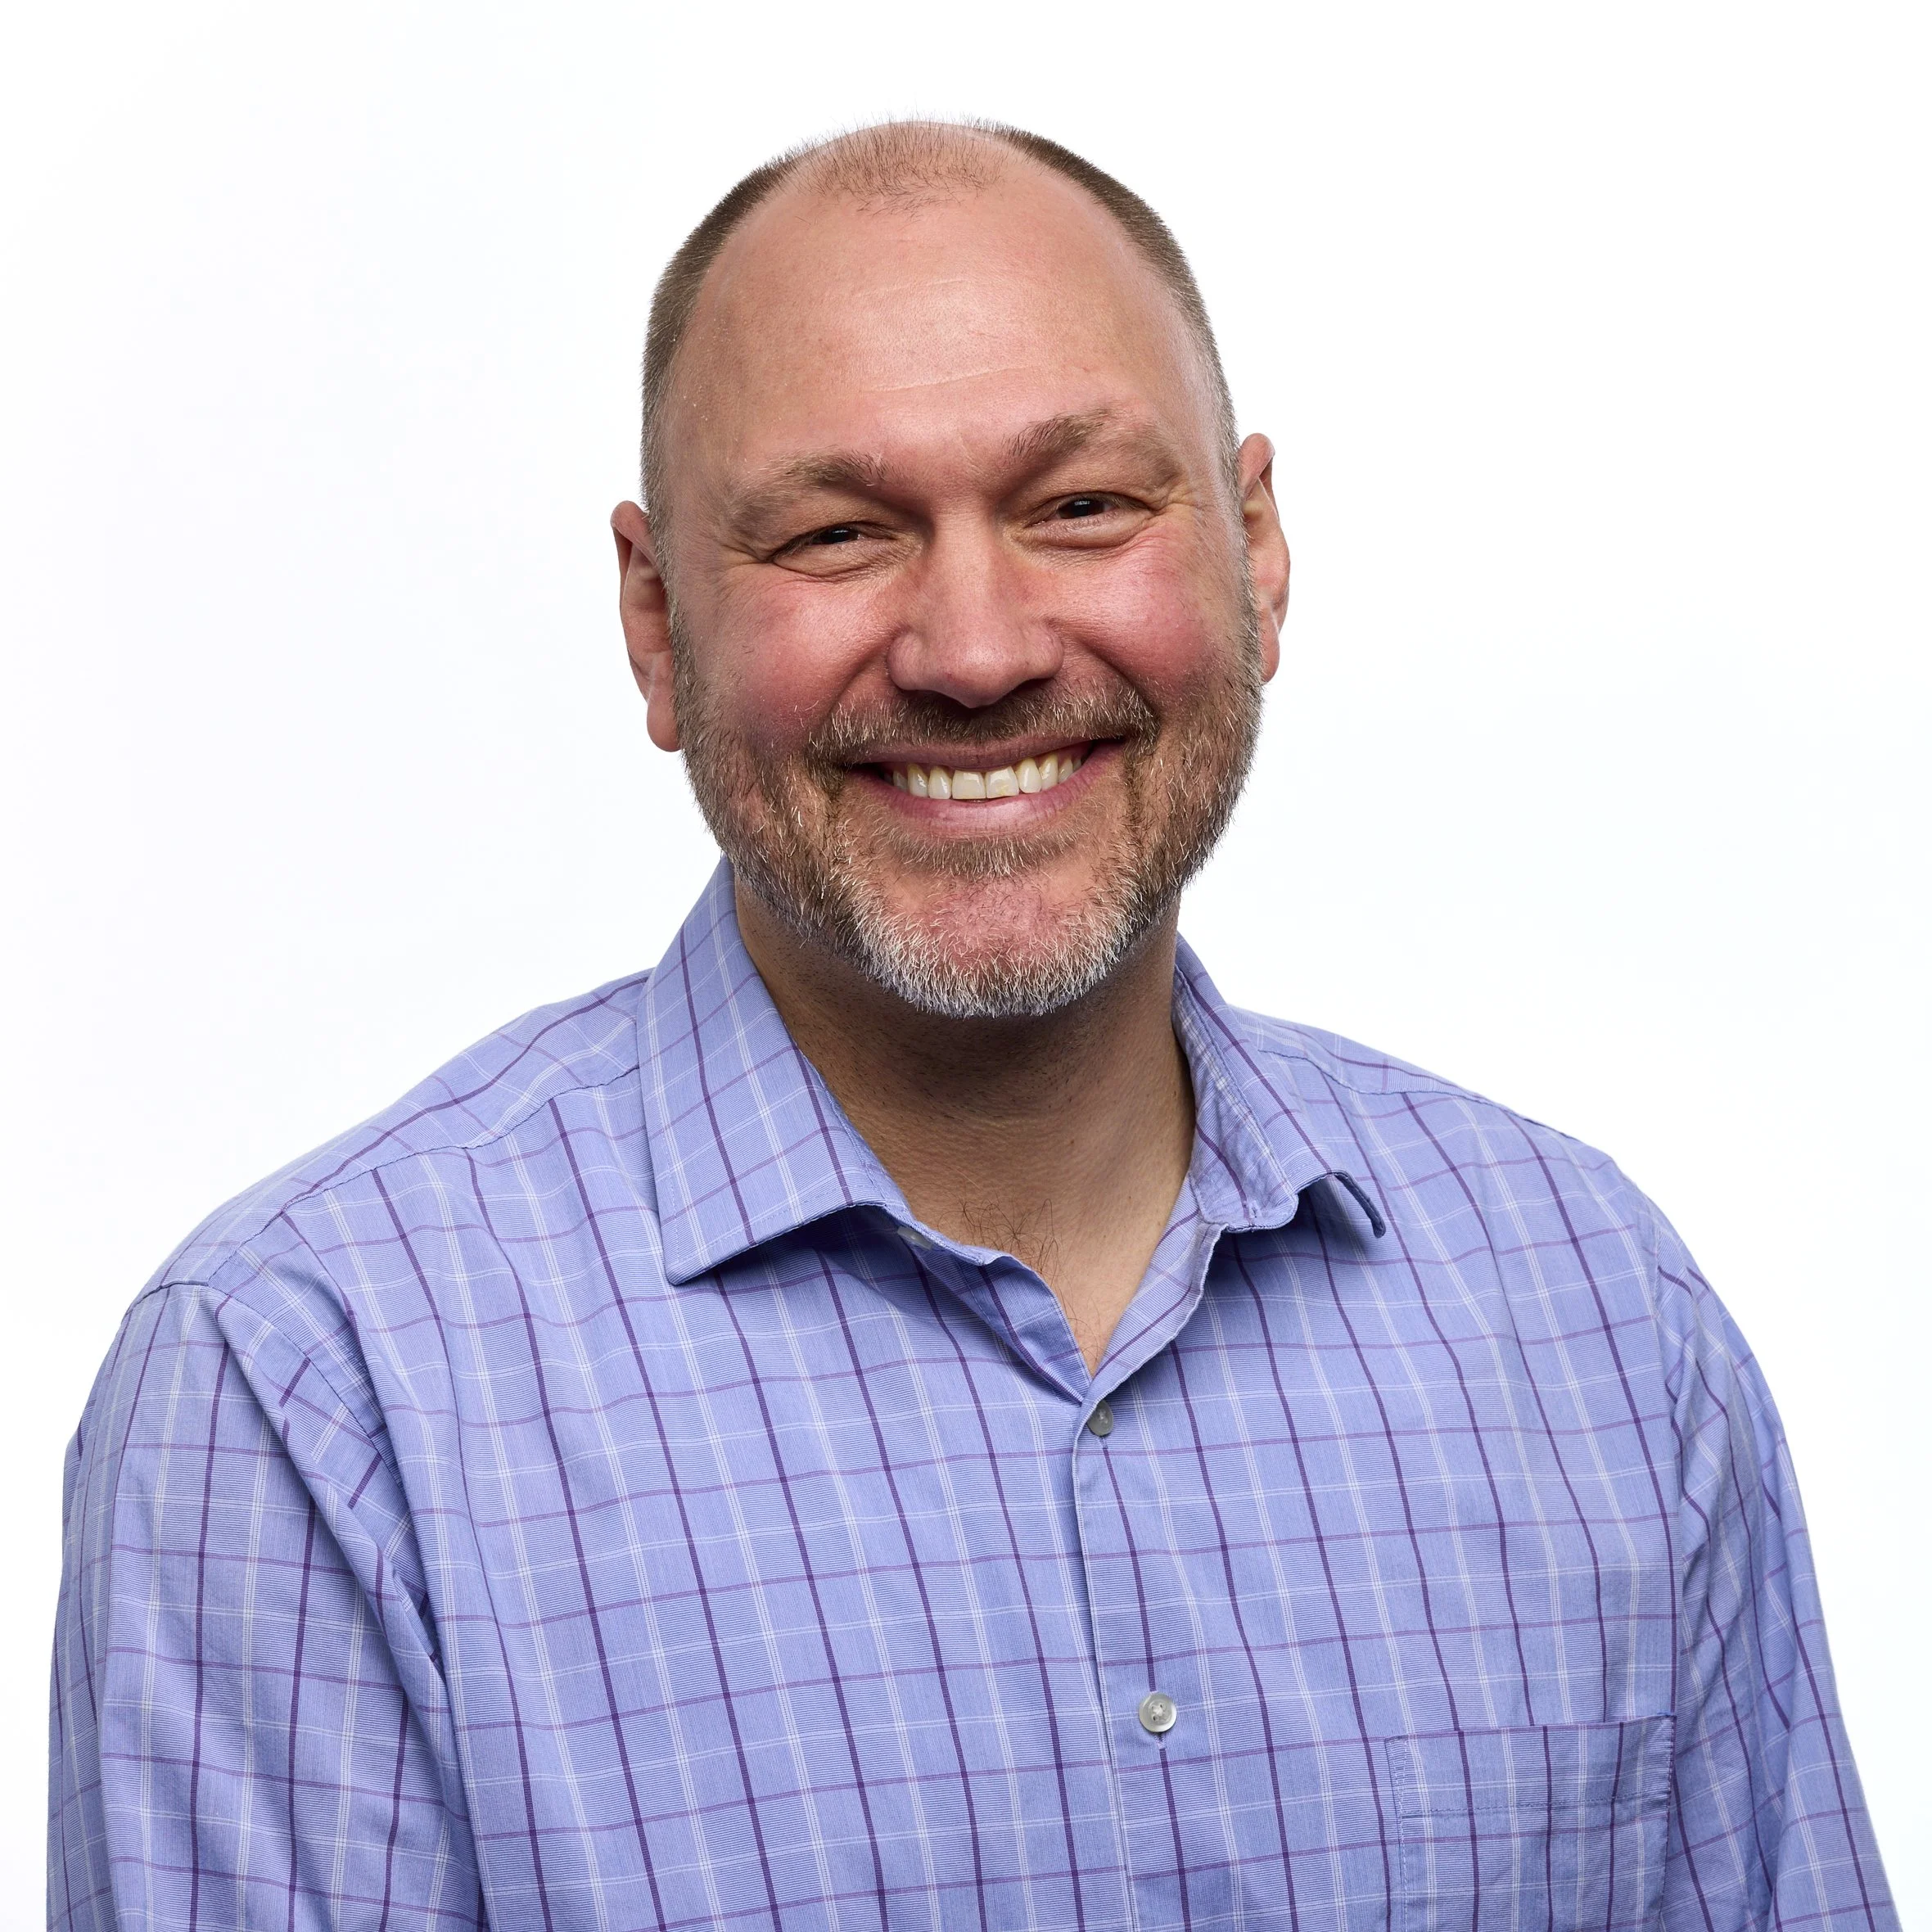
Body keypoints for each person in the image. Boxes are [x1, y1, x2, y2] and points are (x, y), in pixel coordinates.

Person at [50, 120, 1894, 1932]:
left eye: (1081, 506)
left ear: (1255, 552)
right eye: (838, 533)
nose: (977, 647)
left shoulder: (1592, 1312)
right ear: (653, 624)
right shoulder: (311, 1388)